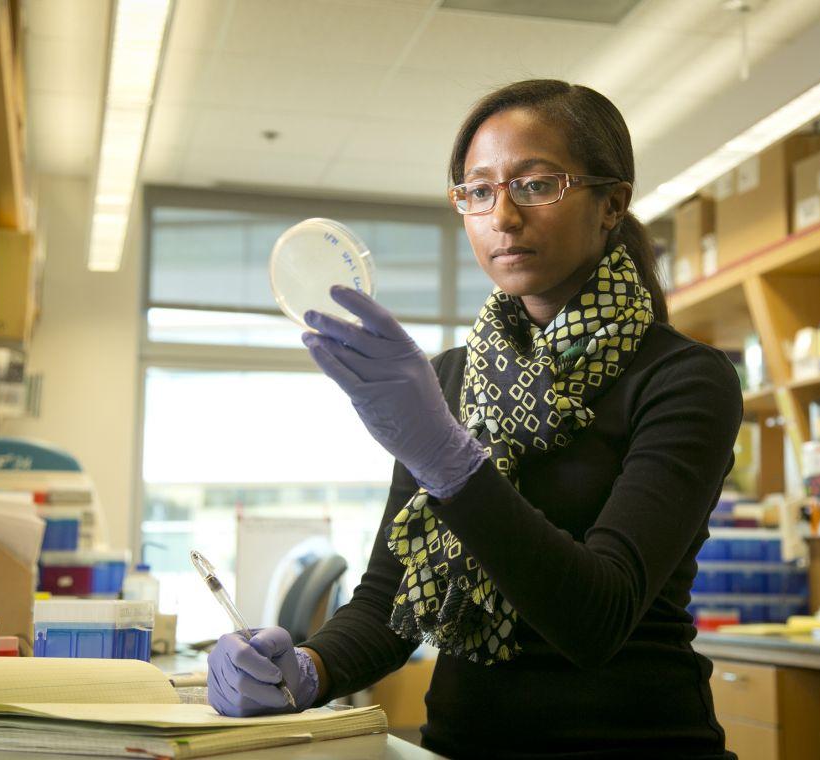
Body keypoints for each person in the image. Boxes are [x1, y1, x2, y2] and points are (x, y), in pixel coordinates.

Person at [207, 79, 743, 759]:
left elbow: (597, 617)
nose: (504, 217)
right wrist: (304, 670)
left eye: (537, 184)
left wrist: (452, 461)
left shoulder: (684, 378)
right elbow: (386, 604)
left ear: (611, 204)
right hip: (459, 746)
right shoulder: (450, 377)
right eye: (479, 191)